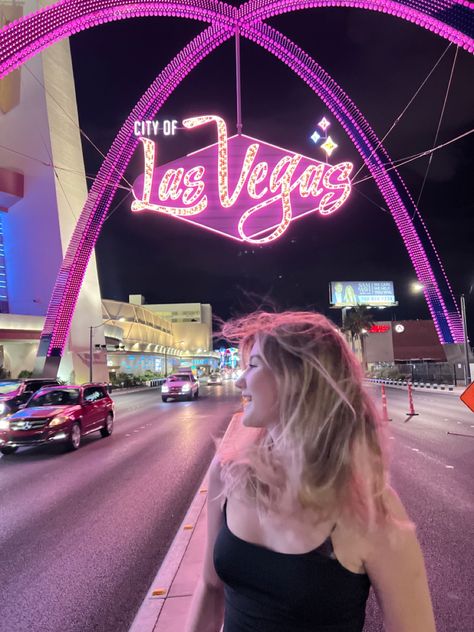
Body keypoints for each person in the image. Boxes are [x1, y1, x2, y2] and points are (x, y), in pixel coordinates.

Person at [185, 311, 436, 632]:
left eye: (254, 365)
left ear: (301, 379)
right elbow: (210, 588)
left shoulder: (369, 508)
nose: (239, 380)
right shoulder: (229, 473)